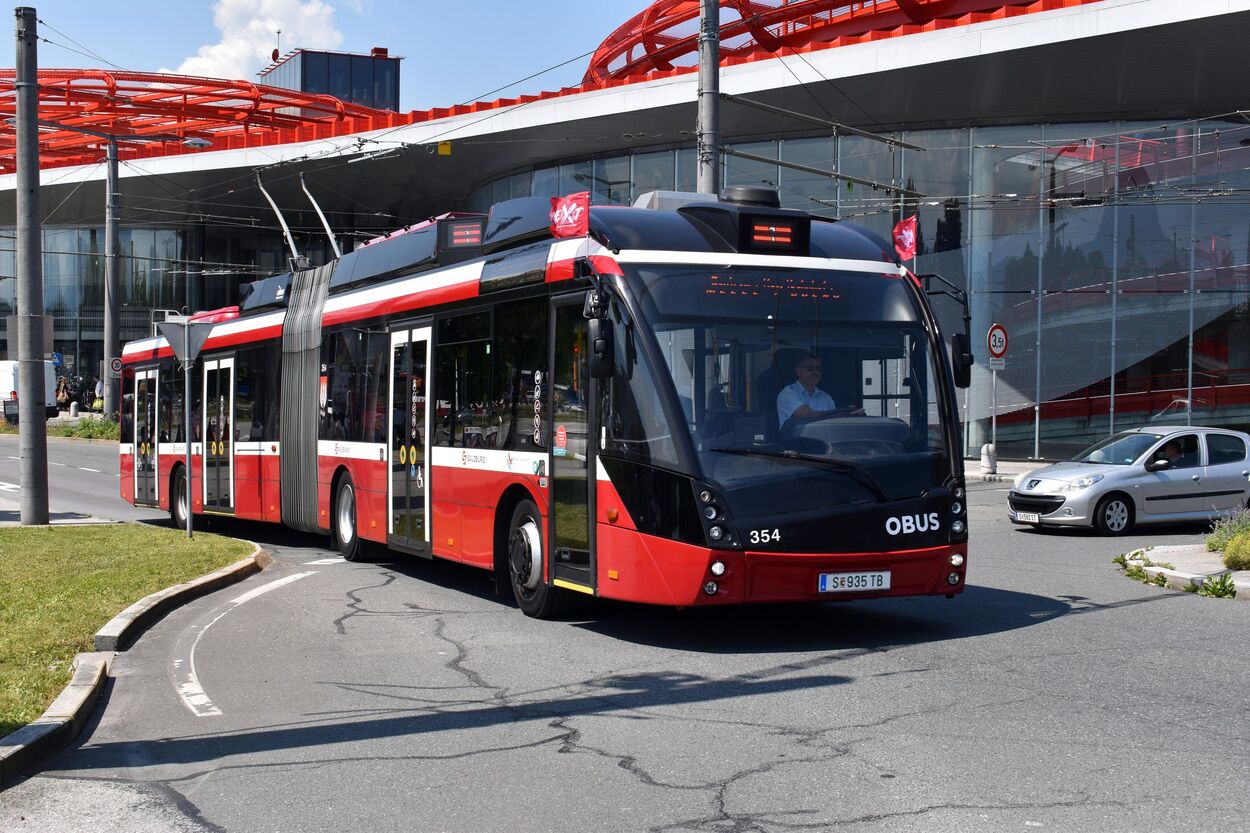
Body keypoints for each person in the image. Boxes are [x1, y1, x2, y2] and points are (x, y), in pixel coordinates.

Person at [776, 353, 860, 427]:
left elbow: (834, 422)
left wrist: (850, 415)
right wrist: (843, 414)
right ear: (797, 370)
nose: (816, 372)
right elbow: (808, 416)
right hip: (797, 443)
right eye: (810, 368)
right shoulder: (787, 393)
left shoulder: (825, 396)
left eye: (819, 369)